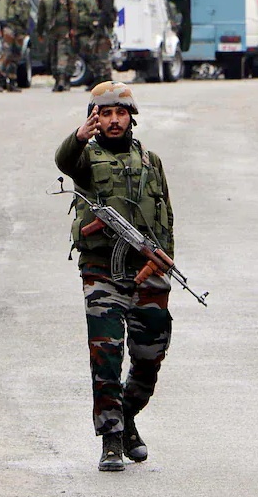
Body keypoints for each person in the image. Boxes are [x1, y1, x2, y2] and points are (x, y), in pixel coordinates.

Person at [55, 82, 175, 472]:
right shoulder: (86, 159)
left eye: (119, 113)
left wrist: (164, 259)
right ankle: (110, 438)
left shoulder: (151, 161)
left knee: (150, 354)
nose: (113, 120)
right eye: (104, 114)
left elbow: (166, 217)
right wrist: (78, 136)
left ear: (131, 117)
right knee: (106, 355)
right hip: (101, 271)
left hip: (146, 272)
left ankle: (128, 418)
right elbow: (63, 160)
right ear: (94, 118)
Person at [37, 0, 77, 92]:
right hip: (64, 30)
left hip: (51, 31)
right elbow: (73, 13)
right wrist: (73, 28)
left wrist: (39, 32)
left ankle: (57, 80)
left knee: (53, 54)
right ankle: (62, 79)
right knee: (63, 54)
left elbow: (41, 18)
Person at [0, 0, 31, 92]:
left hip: (20, 29)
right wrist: (3, 23)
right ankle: (0, 79)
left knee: (16, 55)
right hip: (9, 26)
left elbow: (27, 14)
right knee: (6, 53)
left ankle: (12, 80)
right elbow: (2, 7)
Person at [70, 0, 101, 87]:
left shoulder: (89, 0)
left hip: (86, 33)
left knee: (90, 57)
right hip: (76, 33)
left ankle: (98, 78)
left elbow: (94, 17)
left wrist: (79, 18)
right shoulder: (74, 0)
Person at [89, 0, 116, 84]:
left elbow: (106, 12)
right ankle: (99, 79)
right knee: (96, 55)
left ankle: (106, 79)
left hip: (104, 28)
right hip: (99, 27)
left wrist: (100, 28)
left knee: (103, 55)